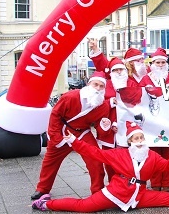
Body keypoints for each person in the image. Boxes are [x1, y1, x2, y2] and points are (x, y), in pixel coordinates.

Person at [31, 121, 169, 212]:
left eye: (142, 138)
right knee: (84, 206)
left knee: (166, 199)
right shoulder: (119, 154)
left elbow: (168, 167)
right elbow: (93, 153)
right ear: (130, 141)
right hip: (115, 192)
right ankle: (46, 204)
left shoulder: (152, 156)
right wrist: (73, 141)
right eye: (136, 139)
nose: (140, 141)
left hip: (139, 194)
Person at [31, 72, 114, 200]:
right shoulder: (71, 96)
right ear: (88, 84)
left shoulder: (102, 106)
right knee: (50, 162)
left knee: (95, 160)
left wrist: (105, 126)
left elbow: (99, 127)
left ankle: (97, 191)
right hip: (63, 130)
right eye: (95, 84)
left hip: (82, 133)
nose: (98, 88)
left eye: (101, 86)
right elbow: (55, 115)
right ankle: (42, 189)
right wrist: (55, 137)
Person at [145, 47, 169, 192]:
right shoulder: (145, 79)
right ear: (152, 64)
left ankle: (167, 183)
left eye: (162, 63)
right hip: (151, 125)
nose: (160, 65)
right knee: (153, 155)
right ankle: (155, 183)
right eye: (157, 63)